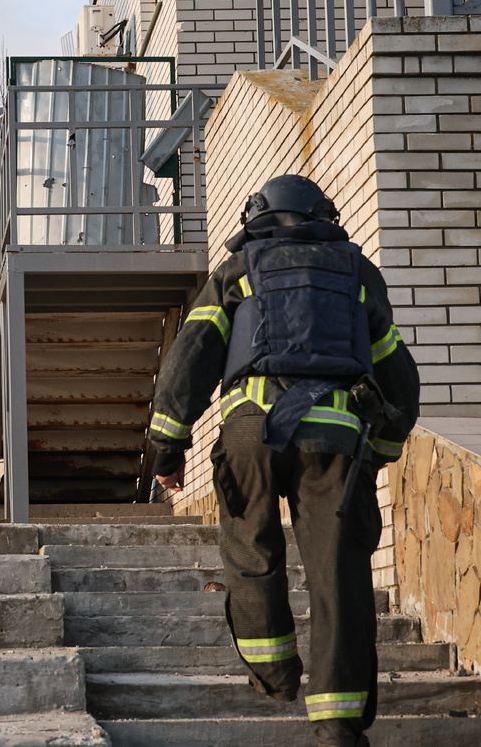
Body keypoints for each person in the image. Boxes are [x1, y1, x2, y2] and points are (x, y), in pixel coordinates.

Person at [147, 175, 420, 747]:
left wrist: (168, 447)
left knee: (251, 554)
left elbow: (190, 358)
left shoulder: (239, 269)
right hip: (336, 441)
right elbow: (397, 373)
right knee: (339, 578)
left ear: (257, 218)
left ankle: (274, 674)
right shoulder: (357, 273)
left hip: (250, 435)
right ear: (324, 217)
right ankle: (338, 725)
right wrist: (380, 452)